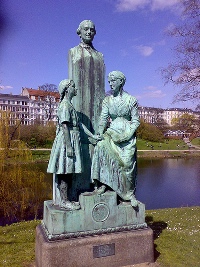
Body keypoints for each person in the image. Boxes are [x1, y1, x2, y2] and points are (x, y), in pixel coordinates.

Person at [91, 71, 140, 207]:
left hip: (127, 134)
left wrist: (129, 134)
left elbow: (136, 121)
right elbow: (103, 119)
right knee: (101, 147)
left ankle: (129, 194)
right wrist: (100, 132)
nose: (111, 84)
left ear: (121, 82)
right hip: (111, 132)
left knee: (127, 163)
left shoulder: (131, 100)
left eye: (113, 81)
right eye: (109, 81)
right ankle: (104, 183)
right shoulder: (107, 100)